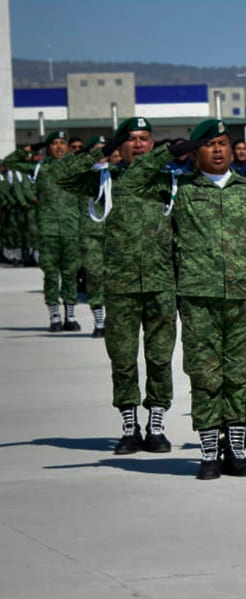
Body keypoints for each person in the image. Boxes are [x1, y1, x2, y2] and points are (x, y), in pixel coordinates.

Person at [122, 119, 246, 479]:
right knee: (205, 375)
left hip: (243, 299)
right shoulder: (178, 189)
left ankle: (236, 452)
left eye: (223, 143)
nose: (218, 150)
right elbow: (133, 180)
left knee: (238, 376)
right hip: (198, 300)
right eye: (209, 144)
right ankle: (210, 452)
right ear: (195, 152)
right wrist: (170, 152)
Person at [57, 117, 179, 454]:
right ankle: (129, 426)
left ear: (152, 144)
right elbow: (61, 176)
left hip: (160, 284)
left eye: (144, 138)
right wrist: (99, 151)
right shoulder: (105, 180)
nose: (138, 144)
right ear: (119, 146)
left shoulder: (169, 180)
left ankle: (156, 425)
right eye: (130, 139)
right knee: (123, 359)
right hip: (121, 286)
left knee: (159, 358)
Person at [3, 131, 81, 331]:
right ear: (48, 147)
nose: (59, 147)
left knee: (70, 274)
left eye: (62, 143)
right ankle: (55, 316)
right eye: (54, 143)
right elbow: (10, 161)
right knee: (51, 275)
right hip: (47, 231)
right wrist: (33, 147)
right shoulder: (39, 168)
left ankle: (71, 316)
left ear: (67, 147)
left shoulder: (76, 167)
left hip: (71, 229)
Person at [76, 135, 109, 335]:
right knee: (95, 275)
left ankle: (112, 318)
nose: (101, 153)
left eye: (104, 148)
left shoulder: (117, 173)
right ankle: (99, 321)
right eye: (97, 149)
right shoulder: (82, 175)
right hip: (90, 233)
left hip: (115, 234)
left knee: (115, 278)